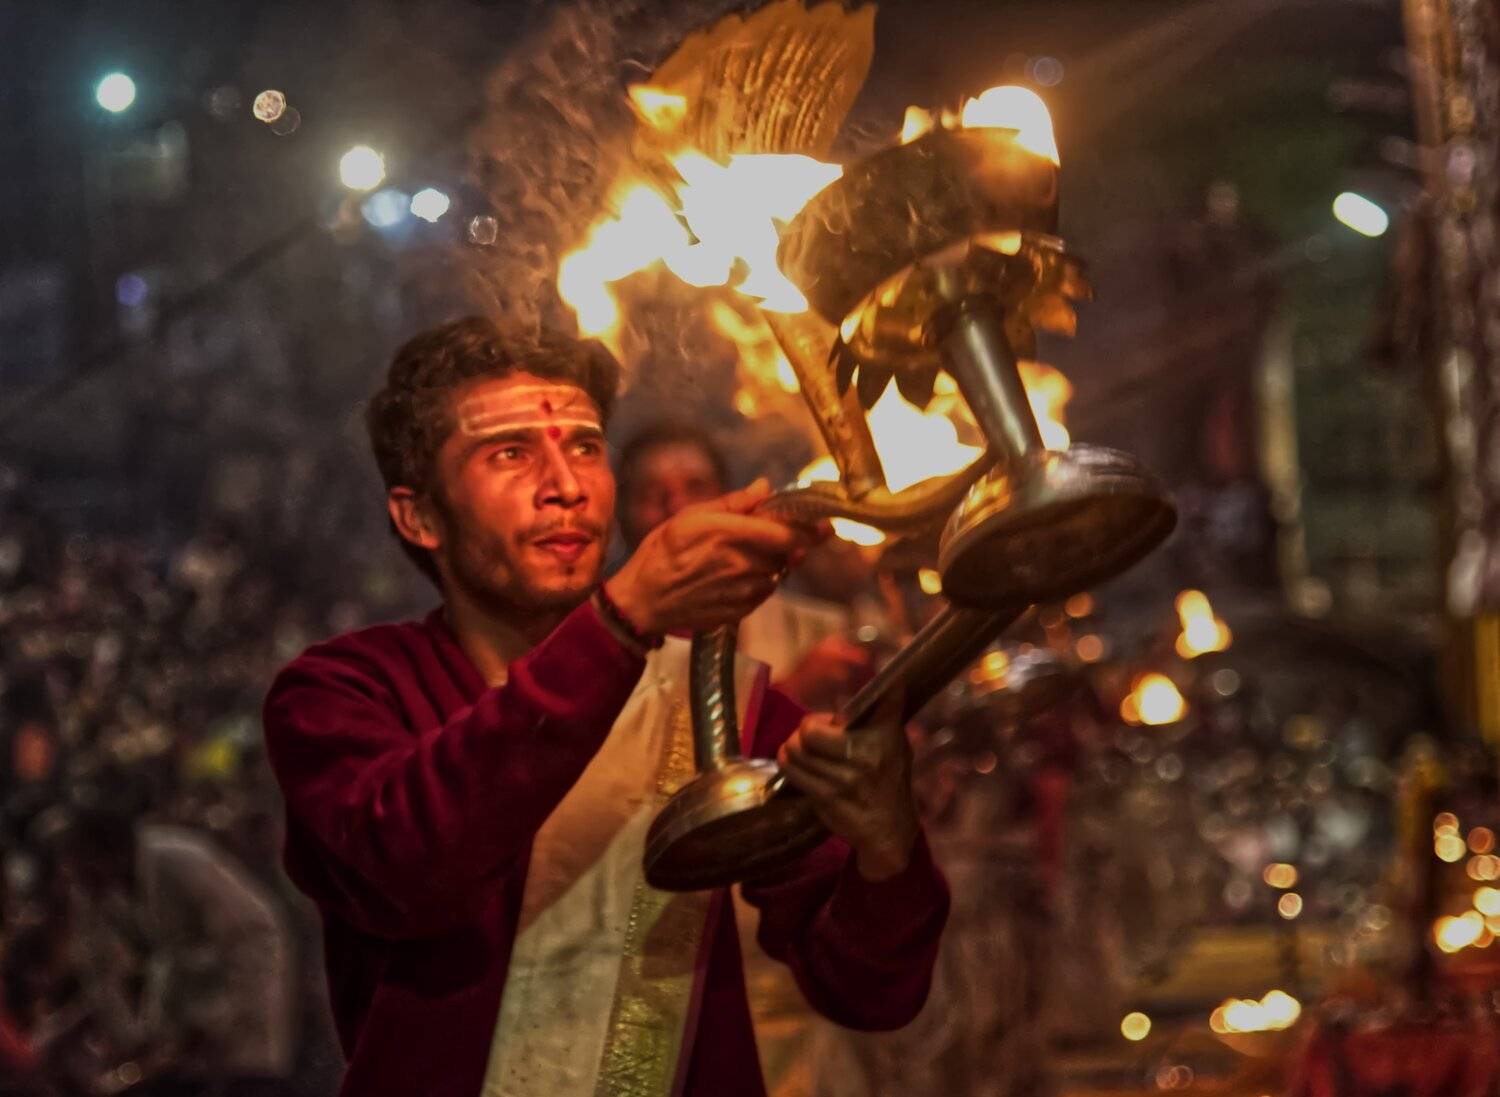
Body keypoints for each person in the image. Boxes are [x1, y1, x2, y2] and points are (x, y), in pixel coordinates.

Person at [262, 318, 949, 1097]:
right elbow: (414, 868)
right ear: (418, 516)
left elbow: (871, 990)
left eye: (586, 447)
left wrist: (887, 844)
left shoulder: (718, 697)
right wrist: (620, 622)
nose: (567, 486)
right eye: (510, 453)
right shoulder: (339, 693)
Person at [615, 422, 878, 711]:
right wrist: (793, 693)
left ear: (728, 499)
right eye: (651, 495)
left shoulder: (817, 630)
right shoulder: (616, 652)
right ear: (623, 519)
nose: (677, 507)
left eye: (696, 487)